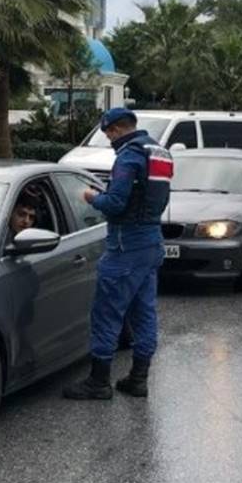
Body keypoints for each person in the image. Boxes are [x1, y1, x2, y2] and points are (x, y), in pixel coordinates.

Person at [64, 107, 173, 400]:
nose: (109, 139)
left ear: (115, 130)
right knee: (144, 313)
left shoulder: (129, 155)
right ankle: (138, 379)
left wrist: (91, 197)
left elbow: (115, 203)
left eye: (108, 134)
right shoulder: (160, 153)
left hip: (125, 245)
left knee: (107, 313)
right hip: (152, 241)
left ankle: (98, 383)